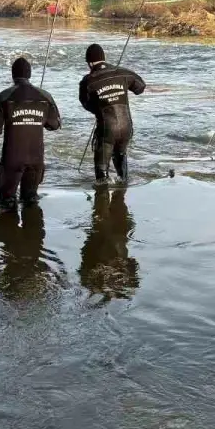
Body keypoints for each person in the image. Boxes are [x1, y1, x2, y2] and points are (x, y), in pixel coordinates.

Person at [0, 56, 61, 210]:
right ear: (29, 75)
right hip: (36, 160)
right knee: (31, 201)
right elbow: (54, 125)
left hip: (12, 160)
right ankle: (33, 230)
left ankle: (8, 230)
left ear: (13, 75)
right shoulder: (46, 97)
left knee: (7, 203)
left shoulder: (3, 97)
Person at [78, 43, 146, 183]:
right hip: (127, 127)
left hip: (107, 129)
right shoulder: (123, 72)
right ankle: (122, 190)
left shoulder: (88, 81)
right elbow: (140, 87)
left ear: (90, 63)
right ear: (104, 58)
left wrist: (100, 107)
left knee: (101, 175)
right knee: (120, 157)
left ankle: (102, 197)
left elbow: (85, 104)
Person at [78, 187, 139, 302]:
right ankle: (107, 184)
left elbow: (133, 264)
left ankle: (109, 185)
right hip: (113, 239)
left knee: (109, 199)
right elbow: (133, 262)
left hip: (103, 242)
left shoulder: (92, 280)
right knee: (108, 199)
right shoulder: (96, 280)